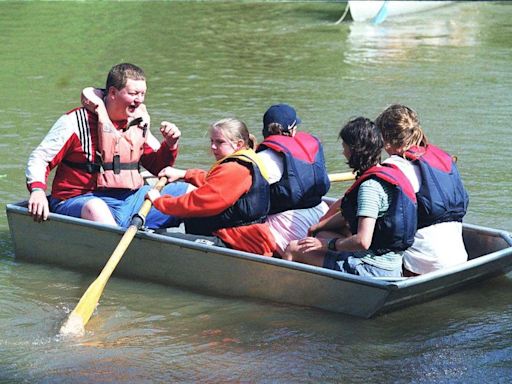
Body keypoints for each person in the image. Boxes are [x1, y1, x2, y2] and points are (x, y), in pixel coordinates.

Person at [26, 62, 190, 228]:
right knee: (96, 208)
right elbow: (40, 159)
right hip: (81, 200)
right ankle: (118, 245)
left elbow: (158, 167)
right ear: (113, 92)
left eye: (142, 94)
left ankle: (207, 245)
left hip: (131, 199)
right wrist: (38, 191)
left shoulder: (137, 122)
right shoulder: (74, 122)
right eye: (134, 93)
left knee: (188, 192)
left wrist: (170, 145)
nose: (139, 100)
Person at [284, 117, 418, 278]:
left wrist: (327, 245)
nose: (343, 152)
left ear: (355, 150)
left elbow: (363, 241)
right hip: (392, 265)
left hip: (372, 269)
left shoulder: (369, 187)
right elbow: (355, 213)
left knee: (293, 248)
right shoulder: (386, 174)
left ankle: (290, 298)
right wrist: (318, 227)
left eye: (344, 146)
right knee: (320, 234)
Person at [146, 118, 276, 256]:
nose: (213, 147)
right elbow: (215, 183)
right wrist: (185, 174)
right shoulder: (247, 159)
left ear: (238, 144)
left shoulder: (235, 169)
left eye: (219, 142)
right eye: (212, 141)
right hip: (242, 238)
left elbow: (198, 202)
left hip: (238, 243)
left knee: (155, 237)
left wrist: (160, 202)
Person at [375, 104, 469, 276]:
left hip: (422, 267)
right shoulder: (443, 159)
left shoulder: (395, 167)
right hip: (459, 259)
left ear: (385, 139)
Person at [256, 104, 330, 257]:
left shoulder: (264, 158)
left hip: (287, 223)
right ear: (292, 129)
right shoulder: (309, 148)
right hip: (320, 212)